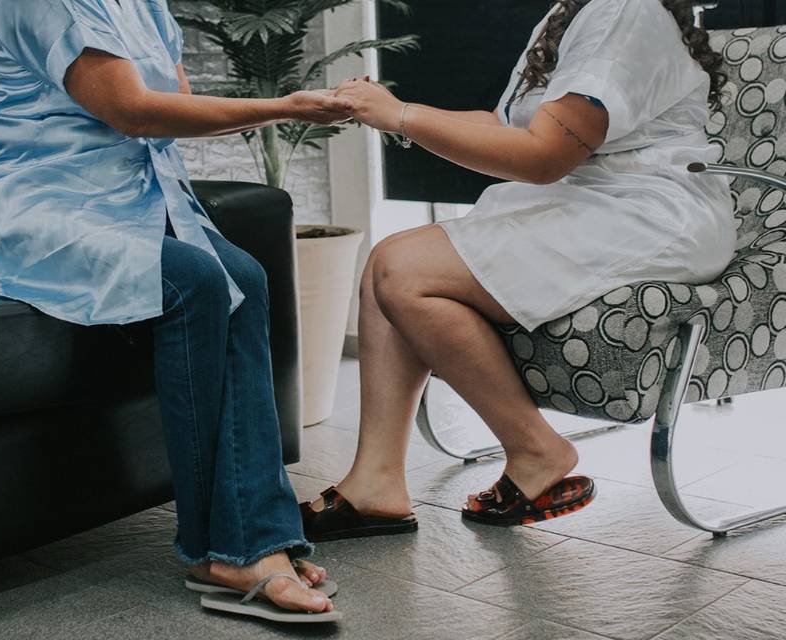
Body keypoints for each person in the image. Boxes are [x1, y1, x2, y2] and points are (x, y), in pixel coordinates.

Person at [0, 0, 353, 623]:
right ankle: (232, 548)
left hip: (133, 199)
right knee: (196, 281)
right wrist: (287, 105)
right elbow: (132, 110)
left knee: (243, 275)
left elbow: (175, 113)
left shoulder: (146, 7)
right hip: (44, 205)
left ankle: (252, 538)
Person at [300, 0, 734, 538]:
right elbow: (504, 126)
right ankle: (376, 484)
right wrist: (388, 108)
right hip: (597, 201)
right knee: (384, 267)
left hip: (649, 214)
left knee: (401, 267)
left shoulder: (626, 8)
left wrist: (399, 117)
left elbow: (544, 155)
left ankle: (536, 450)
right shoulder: (573, 12)